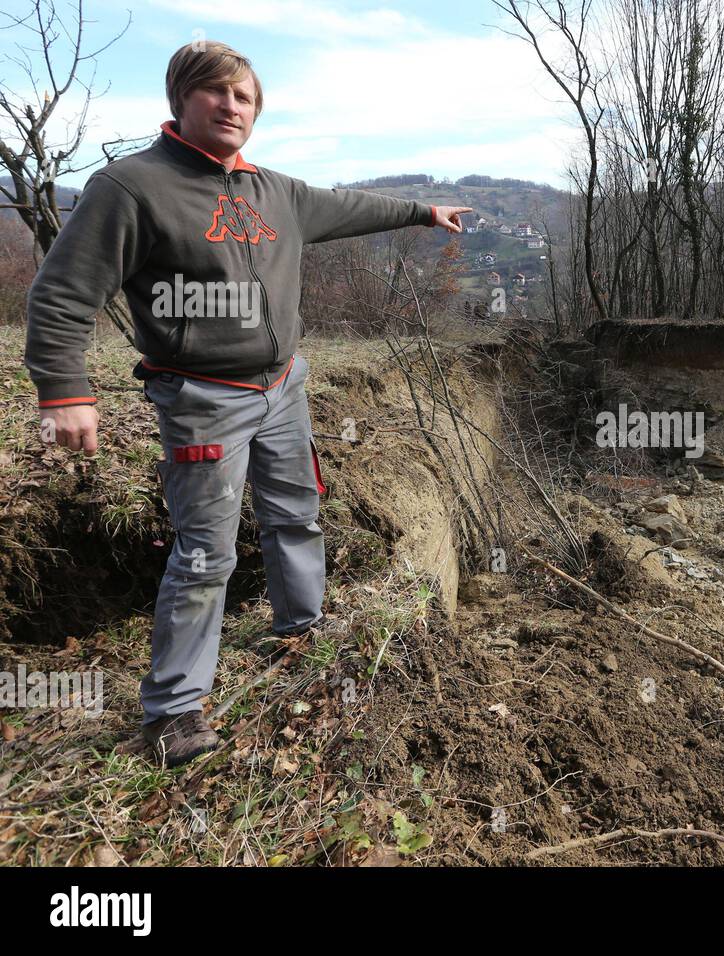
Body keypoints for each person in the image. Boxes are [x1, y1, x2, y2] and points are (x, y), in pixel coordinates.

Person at [24, 41, 471, 768]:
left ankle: (303, 624)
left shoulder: (277, 192)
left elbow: (352, 205)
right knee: (205, 553)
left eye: (245, 97)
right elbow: (64, 292)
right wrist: (66, 390)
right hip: (202, 397)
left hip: (283, 385)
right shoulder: (131, 187)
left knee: (297, 510)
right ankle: (173, 713)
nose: (232, 106)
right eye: (216, 93)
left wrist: (424, 211)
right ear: (181, 100)